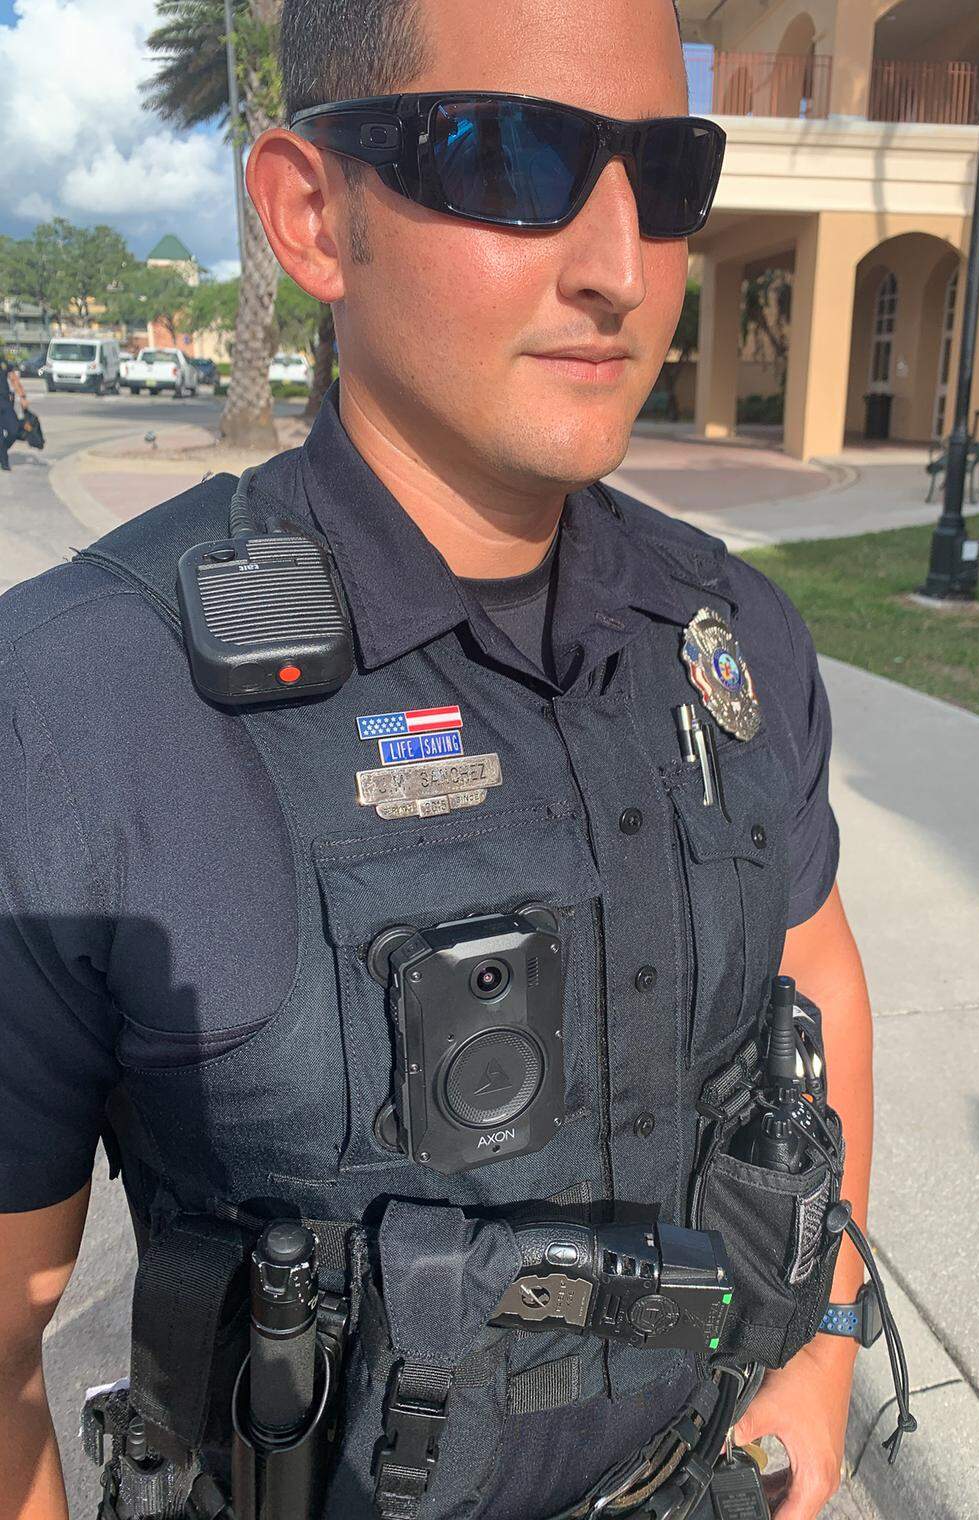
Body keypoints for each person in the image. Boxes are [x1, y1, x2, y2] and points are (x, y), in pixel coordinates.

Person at [0, 3, 875, 1518]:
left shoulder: (730, 634)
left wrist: (825, 1346)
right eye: (515, 158)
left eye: (666, 175)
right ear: (309, 215)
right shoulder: (89, 701)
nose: (619, 266)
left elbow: (820, 973)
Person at [0, 351, 28, 471]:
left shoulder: (3, 362)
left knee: (14, 430)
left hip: (5, 402)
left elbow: (13, 379)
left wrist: (22, 396)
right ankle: (4, 461)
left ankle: (2, 452)